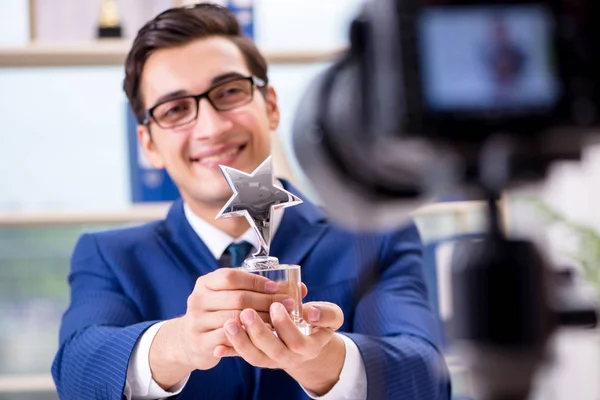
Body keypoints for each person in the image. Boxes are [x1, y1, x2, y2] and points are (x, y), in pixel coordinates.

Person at [51, 3, 451, 399]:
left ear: (271, 106)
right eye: (175, 110)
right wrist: (180, 343)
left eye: (229, 92)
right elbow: (77, 373)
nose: (212, 127)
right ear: (148, 145)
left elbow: (427, 378)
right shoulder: (109, 256)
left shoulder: (376, 236)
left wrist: (326, 361)